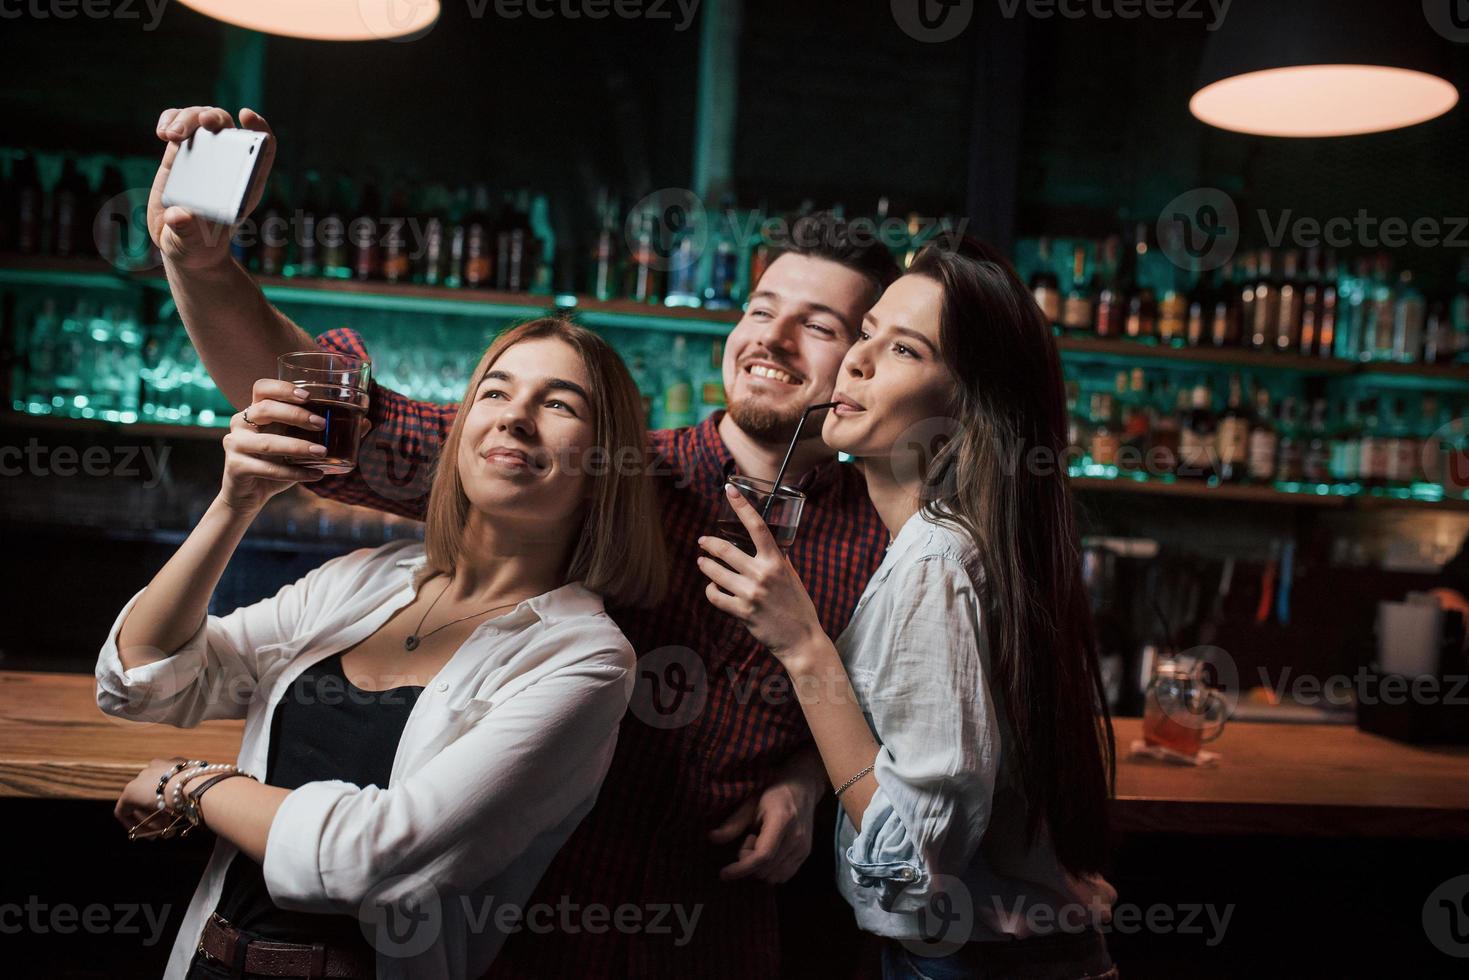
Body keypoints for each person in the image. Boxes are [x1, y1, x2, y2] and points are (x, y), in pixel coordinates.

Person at [146, 105, 900, 977]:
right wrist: (201, 264)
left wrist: (809, 776)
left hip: (719, 935)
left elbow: (891, 710)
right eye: (760, 307)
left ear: (864, 360)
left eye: (816, 324)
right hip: (531, 934)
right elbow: (330, 418)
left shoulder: (883, 544)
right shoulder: (599, 474)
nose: (768, 337)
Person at [97, 317, 666, 979]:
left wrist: (193, 784)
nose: (515, 418)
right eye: (494, 393)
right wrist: (235, 502)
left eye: (559, 404)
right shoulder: (363, 580)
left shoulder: (584, 659)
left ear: (605, 467)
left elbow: (376, 861)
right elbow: (143, 678)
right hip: (207, 961)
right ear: (460, 437)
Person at [696, 239, 1119, 979]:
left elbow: (914, 860)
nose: (856, 363)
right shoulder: (950, 546)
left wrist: (803, 647)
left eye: (904, 350)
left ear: (963, 406)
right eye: (865, 334)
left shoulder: (935, 560)